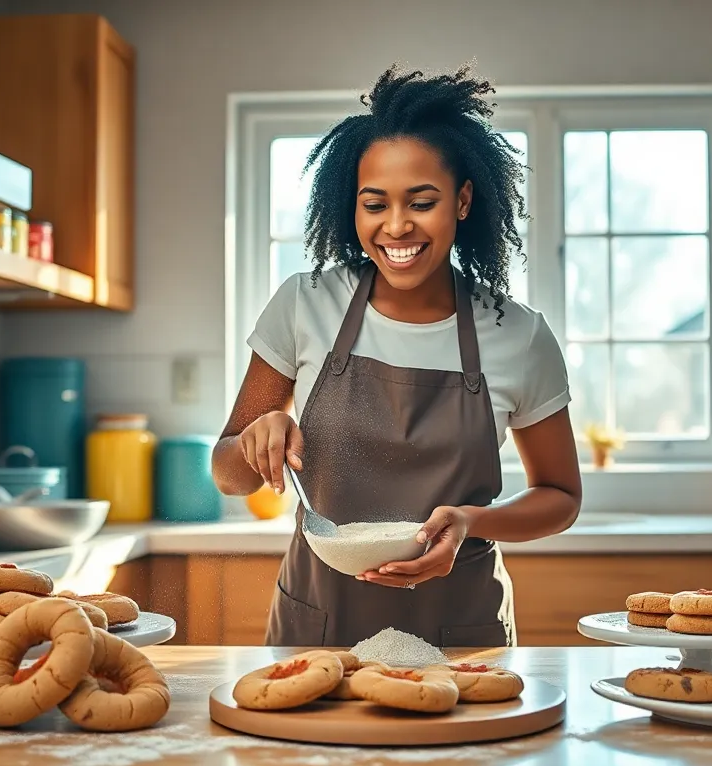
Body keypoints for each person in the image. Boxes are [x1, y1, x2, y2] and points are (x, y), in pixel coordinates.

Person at [212, 63, 581, 648]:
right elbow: (228, 474)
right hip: (317, 627)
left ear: (462, 201)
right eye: (374, 204)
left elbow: (560, 497)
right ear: (351, 207)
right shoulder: (305, 305)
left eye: (422, 201)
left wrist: (472, 522)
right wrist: (259, 436)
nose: (396, 226)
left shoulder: (518, 335)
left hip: (462, 632)